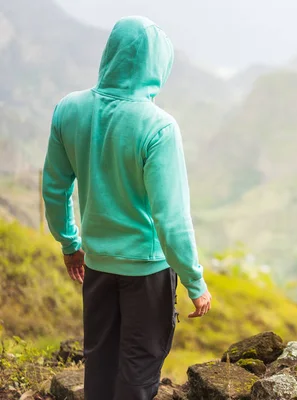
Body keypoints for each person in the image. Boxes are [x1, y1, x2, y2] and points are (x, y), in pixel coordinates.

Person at [42, 16, 212, 400]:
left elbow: (54, 188)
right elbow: (171, 218)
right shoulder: (158, 128)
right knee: (138, 370)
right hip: (147, 273)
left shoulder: (69, 110)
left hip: (97, 266)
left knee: (99, 364)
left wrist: (70, 243)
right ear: (157, 66)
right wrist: (194, 280)